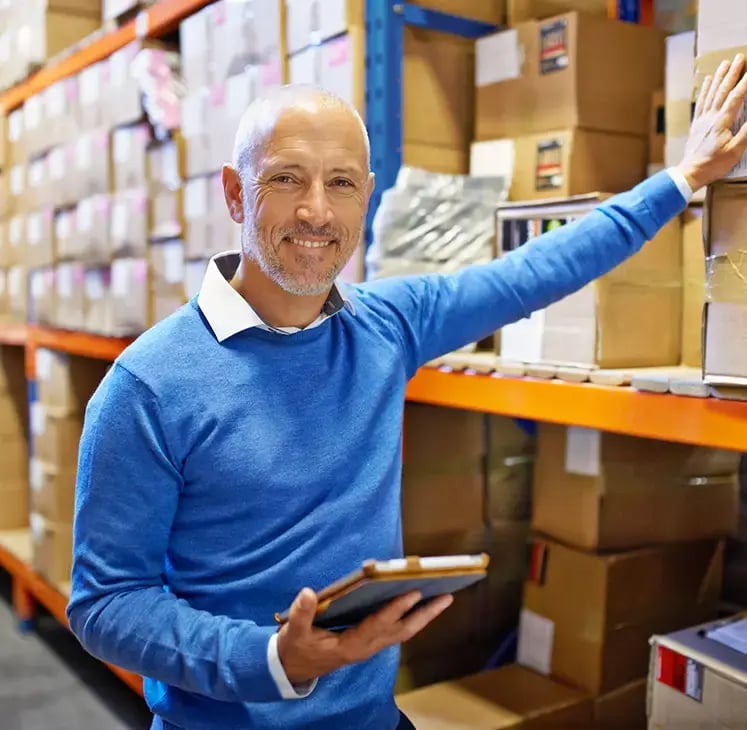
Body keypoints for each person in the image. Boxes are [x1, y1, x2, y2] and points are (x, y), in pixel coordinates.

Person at [67, 54, 747, 730]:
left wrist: (682, 177)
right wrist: (273, 659)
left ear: (366, 194)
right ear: (235, 193)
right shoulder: (147, 386)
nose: (315, 211)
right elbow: (105, 604)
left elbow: (535, 270)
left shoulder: (385, 326)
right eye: (285, 179)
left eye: (340, 184)